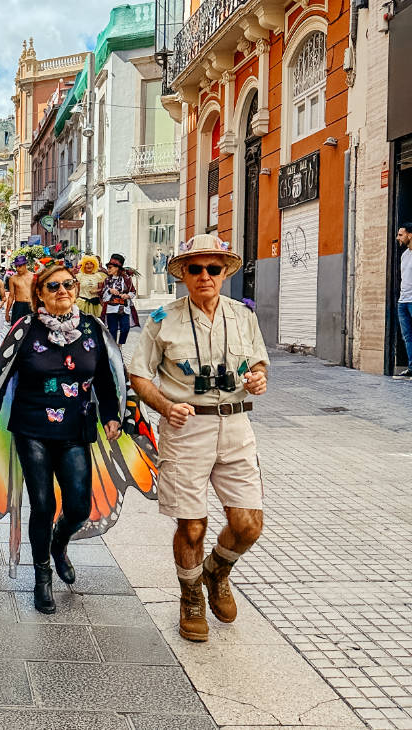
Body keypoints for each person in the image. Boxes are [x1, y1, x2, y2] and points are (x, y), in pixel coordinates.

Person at [128, 233, 269, 643]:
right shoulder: (163, 320)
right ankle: (190, 596)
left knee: (248, 525)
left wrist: (259, 378)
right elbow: (139, 375)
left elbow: (259, 363)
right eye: (195, 268)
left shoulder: (243, 315)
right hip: (186, 429)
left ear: (224, 273)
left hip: (237, 427)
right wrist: (165, 406)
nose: (205, 275)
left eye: (213, 268)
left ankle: (216, 571)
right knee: (192, 526)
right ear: (183, 275)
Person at [0, 263, 121, 613]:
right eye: (53, 286)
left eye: (68, 284)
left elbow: (106, 377)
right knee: (42, 504)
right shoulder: (25, 328)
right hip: (32, 429)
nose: (63, 291)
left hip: (75, 429)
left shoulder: (93, 328)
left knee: (78, 507)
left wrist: (112, 415)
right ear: (39, 294)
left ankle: (59, 542)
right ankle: (42, 575)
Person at [100, 253, 140, 345]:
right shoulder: (107, 280)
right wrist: (110, 290)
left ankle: (120, 344)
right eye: (108, 267)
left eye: (110, 267)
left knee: (125, 328)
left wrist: (127, 296)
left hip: (124, 307)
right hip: (111, 308)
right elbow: (103, 295)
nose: (108, 269)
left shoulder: (126, 279)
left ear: (117, 268)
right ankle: (114, 348)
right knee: (112, 330)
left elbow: (133, 292)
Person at [397, 223, 412, 377]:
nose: (398, 238)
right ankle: (411, 367)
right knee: (407, 336)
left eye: (401, 235)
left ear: (410, 235)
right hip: (403, 301)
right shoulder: (404, 255)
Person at [5, 254, 34, 324]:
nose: (17, 268)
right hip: (19, 306)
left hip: (32, 305)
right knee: (17, 329)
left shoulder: (34, 276)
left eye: (20, 266)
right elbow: (11, 296)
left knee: (33, 329)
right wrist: (7, 312)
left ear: (25, 265)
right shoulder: (13, 278)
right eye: (16, 266)